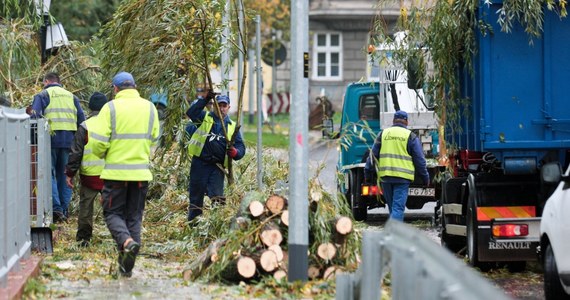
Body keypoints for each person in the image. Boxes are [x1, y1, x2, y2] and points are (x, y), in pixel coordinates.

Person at [89, 72, 160, 277]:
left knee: (112, 214)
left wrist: (105, 154)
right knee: (134, 217)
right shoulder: (150, 107)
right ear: (135, 86)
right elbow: (154, 138)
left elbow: (98, 142)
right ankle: (126, 266)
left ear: (115, 89)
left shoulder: (109, 108)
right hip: (140, 174)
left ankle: (127, 242)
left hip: (116, 173)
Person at [29, 72, 85, 223]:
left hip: (49, 141)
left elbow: (34, 117)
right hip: (69, 143)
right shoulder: (72, 97)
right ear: (59, 82)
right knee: (65, 175)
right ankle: (64, 210)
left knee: (49, 174)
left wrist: (33, 141)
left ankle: (56, 209)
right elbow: (82, 120)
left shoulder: (43, 95)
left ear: (46, 81)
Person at [186, 93, 246, 223]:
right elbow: (191, 112)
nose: (222, 108)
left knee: (217, 198)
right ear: (214, 106)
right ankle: (193, 224)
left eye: (224, 106)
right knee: (196, 197)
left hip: (217, 167)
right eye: (219, 105)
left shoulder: (232, 126)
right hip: (200, 164)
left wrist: (235, 152)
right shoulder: (204, 117)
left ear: (229, 107)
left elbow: (241, 147)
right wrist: (206, 98)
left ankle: (216, 224)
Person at [364, 110, 429, 221]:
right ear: (407, 122)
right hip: (402, 178)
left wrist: (368, 174)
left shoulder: (383, 134)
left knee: (393, 208)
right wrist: (425, 178)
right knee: (398, 209)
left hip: (386, 178)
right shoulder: (410, 136)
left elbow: (372, 156)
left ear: (393, 120)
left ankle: (393, 232)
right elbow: (420, 160)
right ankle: (395, 234)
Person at [64, 92, 108, 247]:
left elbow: (76, 152)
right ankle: (120, 236)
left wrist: (70, 173)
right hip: (110, 175)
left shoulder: (85, 126)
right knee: (114, 207)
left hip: (90, 176)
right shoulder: (113, 125)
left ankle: (84, 239)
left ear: (90, 107)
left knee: (86, 208)